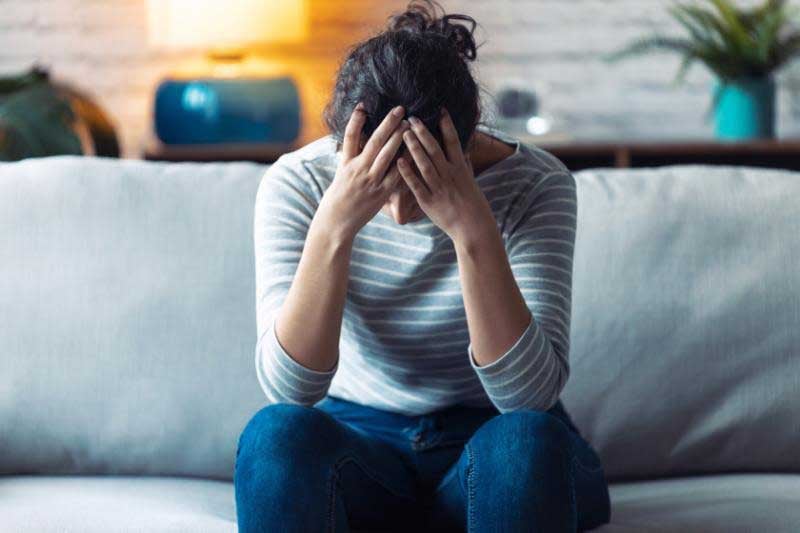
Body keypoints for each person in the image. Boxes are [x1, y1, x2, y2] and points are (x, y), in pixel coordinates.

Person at [234, 1, 611, 531]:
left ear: (466, 140)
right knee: (275, 434)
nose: (399, 210)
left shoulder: (537, 185)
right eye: (380, 177)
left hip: (493, 438)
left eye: (419, 177)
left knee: (528, 440)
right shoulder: (297, 183)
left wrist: (472, 229)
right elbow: (291, 391)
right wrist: (334, 226)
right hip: (361, 443)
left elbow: (528, 396)